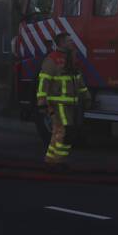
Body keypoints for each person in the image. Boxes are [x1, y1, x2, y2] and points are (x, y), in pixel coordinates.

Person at [36, 33, 91, 165]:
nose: (72, 42)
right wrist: (42, 101)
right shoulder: (52, 59)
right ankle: (57, 161)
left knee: (62, 133)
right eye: (69, 41)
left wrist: (86, 97)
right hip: (56, 104)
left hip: (69, 104)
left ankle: (52, 160)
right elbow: (44, 81)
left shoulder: (70, 59)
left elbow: (78, 80)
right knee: (63, 132)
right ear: (61, 43)